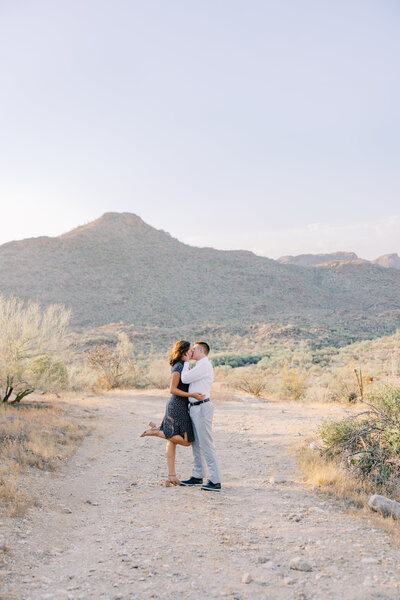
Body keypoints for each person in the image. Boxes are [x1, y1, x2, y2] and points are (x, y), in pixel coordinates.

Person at [140, 340, 206, 486]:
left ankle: (171, 476)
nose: (192, 352)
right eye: (190, 350)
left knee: (172, 439)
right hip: (177, 405)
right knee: (187, 441)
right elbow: (172, 389)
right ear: (183, 352)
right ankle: (156, 432)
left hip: (182, 405)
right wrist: (193, 396)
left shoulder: (185, 365)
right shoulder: (178, 366)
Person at [180, 341, 222, 492]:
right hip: (195, 407)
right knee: (196, 443)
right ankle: (198, 475)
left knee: (206, 443)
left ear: (202, 351)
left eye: (195, 349)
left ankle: (215, 480)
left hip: (202, 407)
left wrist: (185, 363)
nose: (191, 351)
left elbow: (184, 379)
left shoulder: (204, 365)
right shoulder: (199, 365)